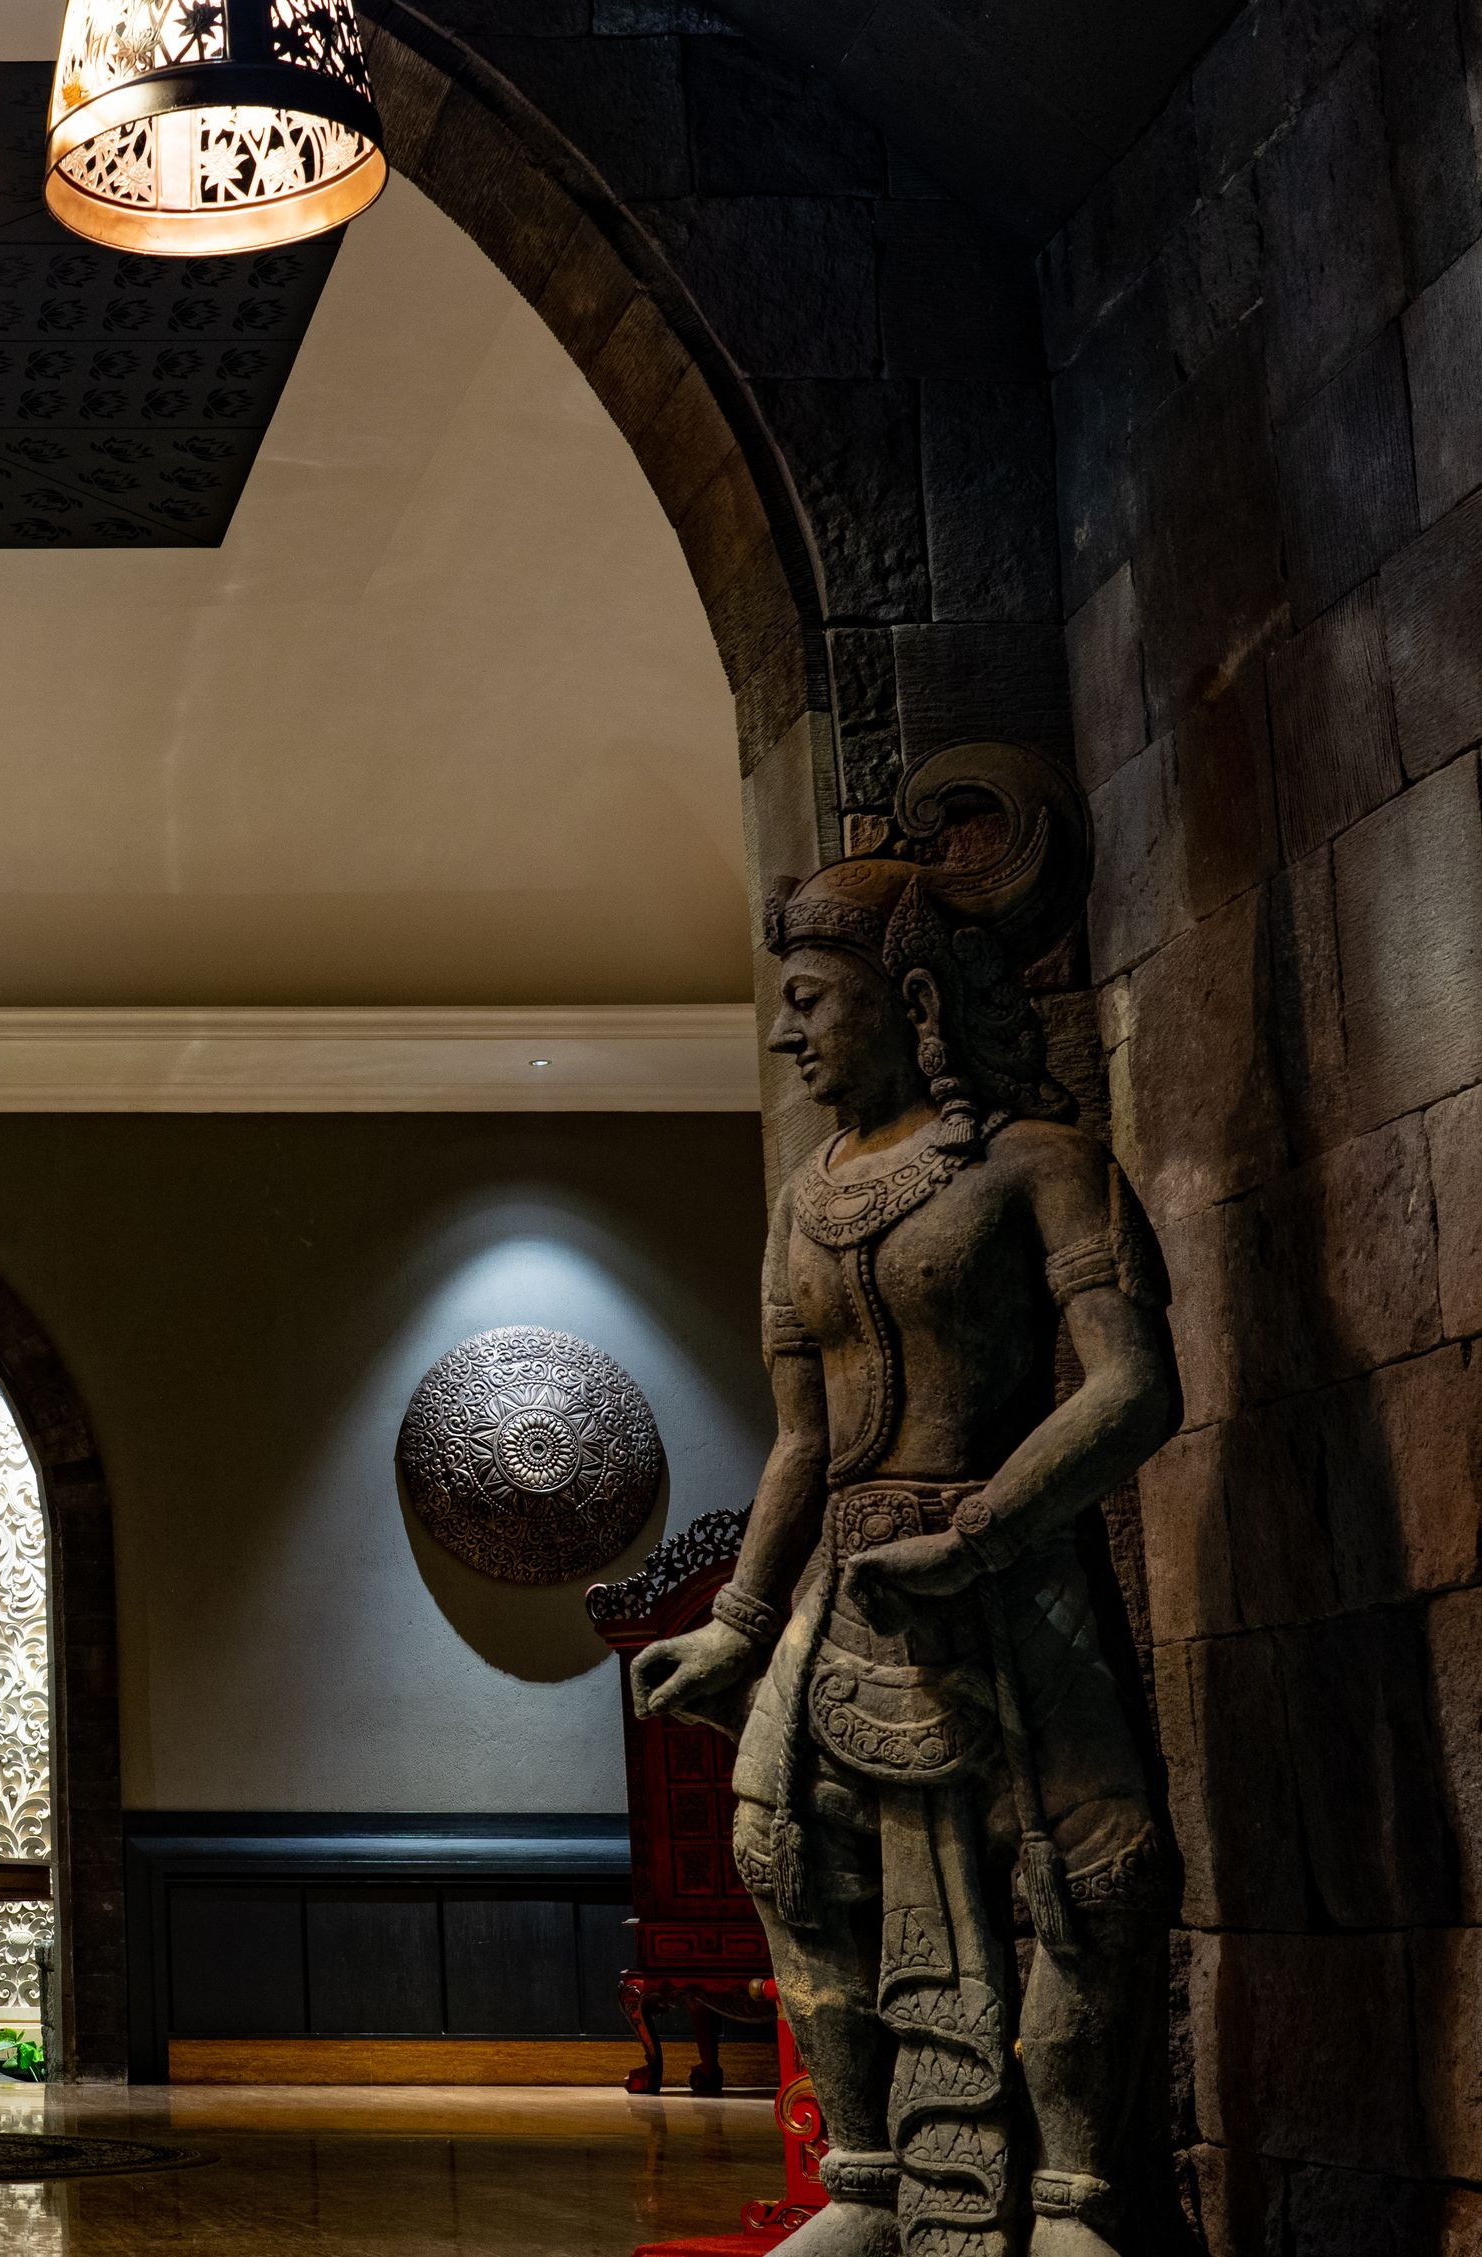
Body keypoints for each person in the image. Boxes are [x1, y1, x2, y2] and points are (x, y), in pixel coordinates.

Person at [633, 746, 1178, 2257]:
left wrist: (985, 1531)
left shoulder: (1041, 1165)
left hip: (1011, 1566)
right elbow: (805, 1441)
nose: (790, 1030)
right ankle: (867, 2178)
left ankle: (1075, 2195)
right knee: (785, 1853)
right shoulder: (802, 1205)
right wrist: (741, 1620)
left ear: (913, 995)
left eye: (816, 997)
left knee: (1095, 1869)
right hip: (849, 1586)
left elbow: (1133, 1387)